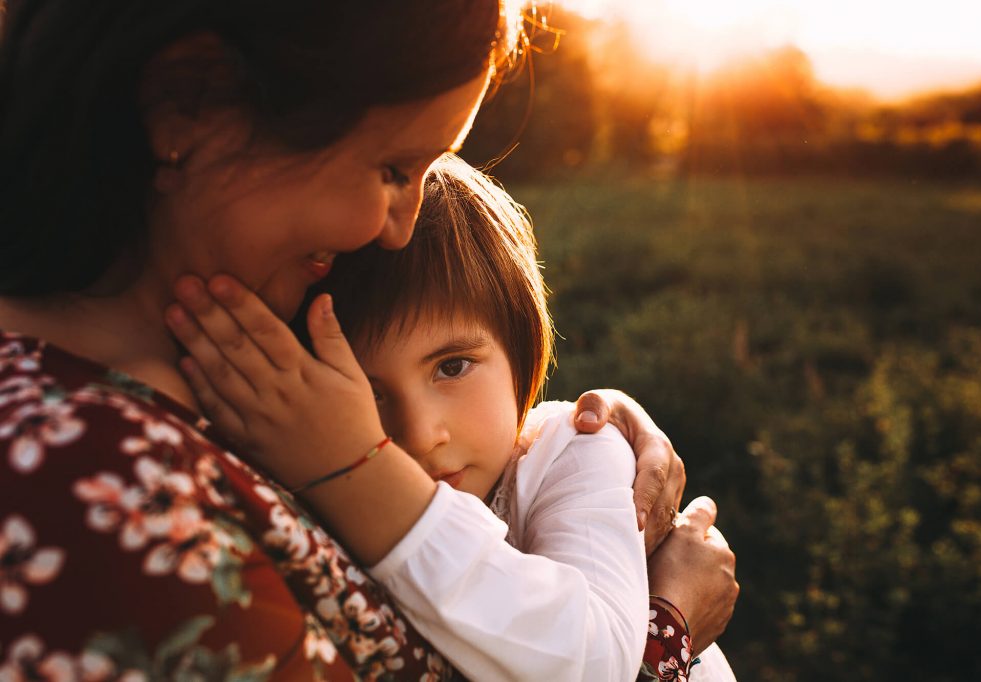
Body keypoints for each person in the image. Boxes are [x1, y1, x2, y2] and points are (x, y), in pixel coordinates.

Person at [0, 1, 737, 680]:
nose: (398, 227)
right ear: (190, 100)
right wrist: (665, 638)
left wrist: (569, 438)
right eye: (391, 169)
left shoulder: (248, 384)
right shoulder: (88, 480)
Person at [167, 153, 737, 681]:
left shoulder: (575, 451)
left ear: (520, 347)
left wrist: (362, 476)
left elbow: (598, 658)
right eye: (365, 393)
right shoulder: (303, 491)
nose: (420, 435)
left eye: (453, 366)